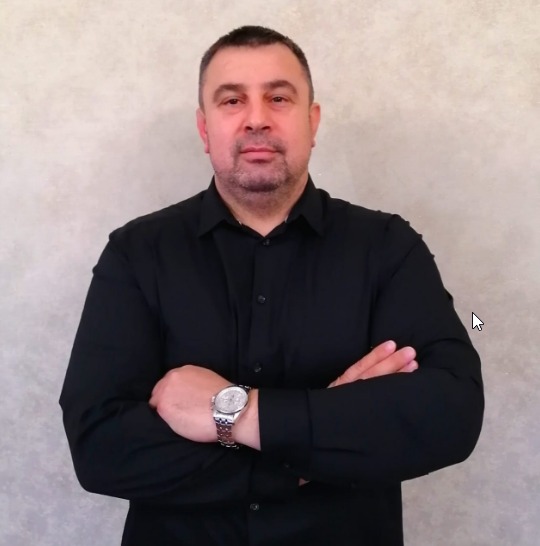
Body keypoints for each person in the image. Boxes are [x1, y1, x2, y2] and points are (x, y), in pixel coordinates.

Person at [60, 25, 484, 546]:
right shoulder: (136, 253)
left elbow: (449, 413)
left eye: (278, 98)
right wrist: (318, 443)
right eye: (232, 100)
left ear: (312, 121)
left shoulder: (389, 248)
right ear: (204, 128)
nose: (257, 118)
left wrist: (232, 412)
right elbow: (100, 447)